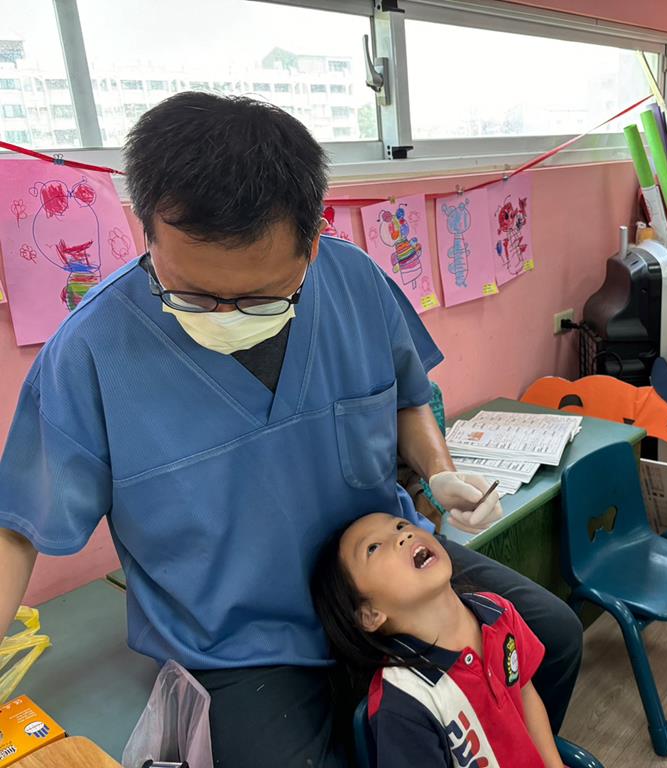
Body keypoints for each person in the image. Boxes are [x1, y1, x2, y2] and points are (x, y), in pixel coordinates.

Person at [0, 92, 582, 767]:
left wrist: (438, 471)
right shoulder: (90, 353)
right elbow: (19, 526)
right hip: (237, 639)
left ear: (312, 243)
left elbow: (406, 395)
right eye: (191, 294)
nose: (225, 317)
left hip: (379, 573)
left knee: (553, 636)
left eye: (259, 297)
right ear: (147, 229)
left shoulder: (355, 282)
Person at [312, 513, 563, 768]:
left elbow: (526, 694)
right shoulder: (404, 701)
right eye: (373, 548)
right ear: (370, 615)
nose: (403, 535)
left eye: (400, 525)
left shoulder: (498, 611)